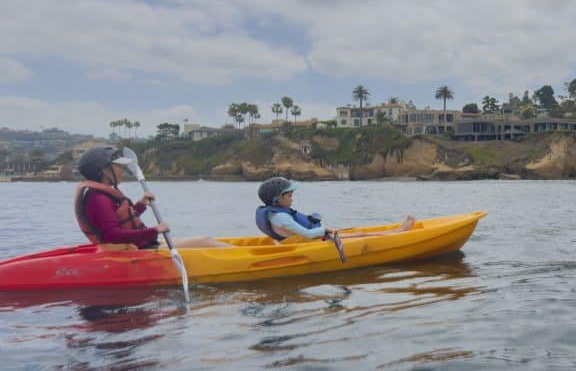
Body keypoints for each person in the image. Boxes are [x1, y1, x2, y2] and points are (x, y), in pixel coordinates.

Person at [75, 146, 225, 249]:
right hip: (131, 252)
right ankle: (248, 260)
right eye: (119, 166)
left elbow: (120, 220)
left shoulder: (101, 195)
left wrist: (141, 205)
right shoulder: (98, 198)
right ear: (104, 170)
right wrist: (154, 230)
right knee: (204, 241)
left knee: (207, 240)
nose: (123, 170)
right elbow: (112, 235)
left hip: (136, 246)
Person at [255, 177, 416, 242]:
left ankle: (397, 230)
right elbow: (309, 234)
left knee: (357, 233)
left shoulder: (274, 215)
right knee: (360, 235)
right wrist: (325, 230)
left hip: (309, 242)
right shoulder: (282, 219)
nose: (292, 198)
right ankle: (399, 232)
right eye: (289, 196)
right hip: (313, 243)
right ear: (278, 199)